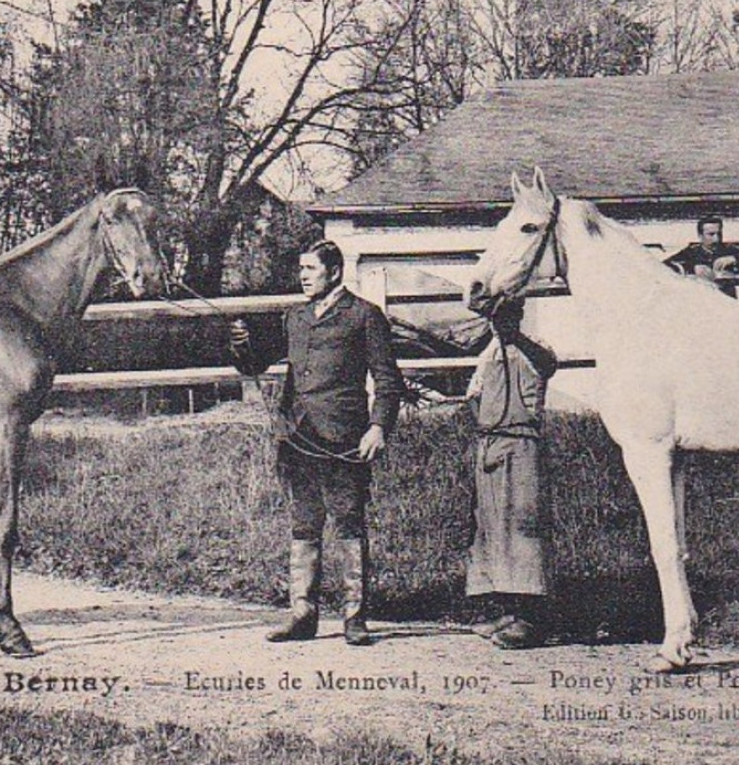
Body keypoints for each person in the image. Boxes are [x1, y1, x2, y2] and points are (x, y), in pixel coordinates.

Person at [229, 240, 406, 646]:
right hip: (298, 438)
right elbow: (255, 363)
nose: (303, 275)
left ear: (335, 273)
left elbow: (387, 380)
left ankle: (355, 617)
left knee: (349, 523)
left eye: (311, 268)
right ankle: (302, 614)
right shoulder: (296, 317)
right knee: (304, 525)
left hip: (344, 439)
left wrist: (378, 427)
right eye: (301, 268)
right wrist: (242, 343)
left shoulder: (364, 316)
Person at [422, 298, 557, 648]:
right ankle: (507, 610)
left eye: (506, 316)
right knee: (491, 529)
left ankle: (532, 617)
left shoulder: (532, 350)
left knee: (522, 526)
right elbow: (474, 396)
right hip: (490, 445)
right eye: (494, 317)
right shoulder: (489, 353)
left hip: (521, 443)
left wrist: (516, 337)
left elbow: (548, 365)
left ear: (519, 315)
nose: (499, 323)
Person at [664, 215, 739, 298]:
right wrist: (691, 268)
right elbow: (664, 267)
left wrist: (735, 259)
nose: (716, 239)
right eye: (711, 234)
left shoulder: (728, 249)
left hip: (726, 300)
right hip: (700, 301)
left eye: (719, 234)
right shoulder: (691, 251)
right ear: (700, 236)